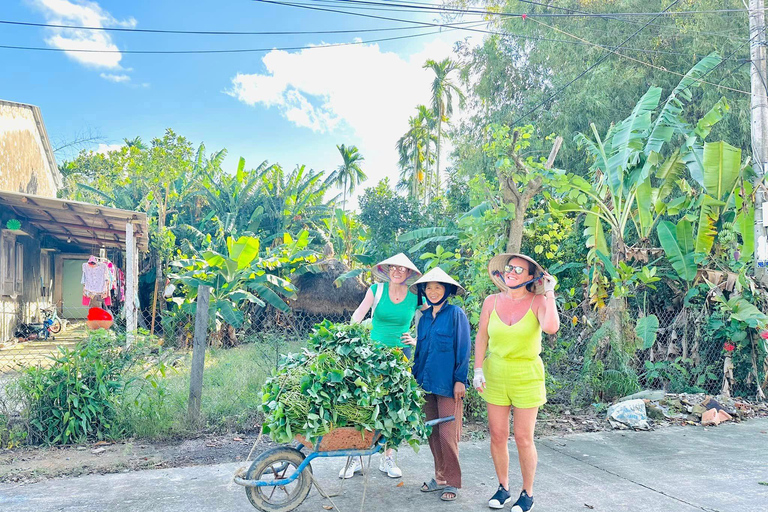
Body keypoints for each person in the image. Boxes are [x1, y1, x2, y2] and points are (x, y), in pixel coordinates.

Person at [472, 253, 560, 511]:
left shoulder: (538, 301)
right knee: (498, 436)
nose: (512, 272)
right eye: (509, 268)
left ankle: (527, 493)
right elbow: (481, 336)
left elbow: (551, 327)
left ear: (531, 277)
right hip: (495, 374)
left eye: (519, 270)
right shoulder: (491, 301)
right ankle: (503, 488)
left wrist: (550, 293)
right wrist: (478, 369)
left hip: (527, 376)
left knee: (523, 438)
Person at [339, 252, 422, 480]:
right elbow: (358, 314)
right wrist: (349, 336)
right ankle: (355, 458)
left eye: (402, 269)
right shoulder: (376, 290)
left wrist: (417, 339)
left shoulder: (416, 296)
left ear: (408, 274)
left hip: (400, 357)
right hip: (372, 356)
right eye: (393, 268)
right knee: (364, 405)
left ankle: (388, 457)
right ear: (387, 270)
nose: (397, 271)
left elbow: (429, 319)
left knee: (395, 406)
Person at [408, 268, 470, 502]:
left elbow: (463, 349)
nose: (433, 292)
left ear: (447, 290)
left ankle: (453, 482)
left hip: (448, 385)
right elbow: (420, 352)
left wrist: (459, 380)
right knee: (433, 433)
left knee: (447, 434)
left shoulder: (456, 314)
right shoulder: (424, 319)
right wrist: (413, 382)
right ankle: (440, 477)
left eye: (438, 287)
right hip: (426, 384)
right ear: (423, 291)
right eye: (429, 287)